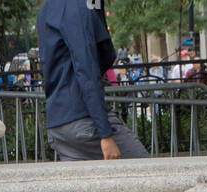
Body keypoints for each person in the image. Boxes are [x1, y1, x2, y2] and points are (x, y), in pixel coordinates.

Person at [37, 0, 148, 160]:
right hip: (83, 122)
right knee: (149, 171)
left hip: (59, 125)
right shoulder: (76, 7)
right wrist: (105, 134)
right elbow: (87, 70)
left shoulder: (47, 10)